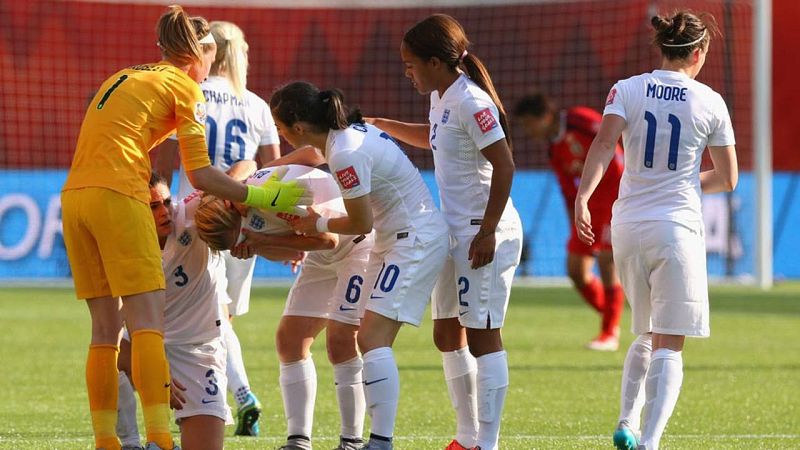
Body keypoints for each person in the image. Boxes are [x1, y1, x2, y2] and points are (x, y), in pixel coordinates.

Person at [59, 6, 306, 450]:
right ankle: (159, 436)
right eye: (209, 53)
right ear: (199, 53)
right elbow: (205, 176)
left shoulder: (127, 75)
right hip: (120, 195)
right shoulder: (185, 88)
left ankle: (106, 441)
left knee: (103, 331)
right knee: (146, 323)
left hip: (75, 196)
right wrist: (257, 196)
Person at [574, 11, 736, 450]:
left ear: (662, 48)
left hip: (627, 226)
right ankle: (650, 442)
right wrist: (683, 181)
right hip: (675, 226)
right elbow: (728, 177)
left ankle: (627, 420)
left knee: (645, 331)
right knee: (670, 342)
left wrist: (584, 196)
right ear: (698, 53)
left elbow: (604, 144)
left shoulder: (626, 89)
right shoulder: (710, 101)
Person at [368, 14, 522, 450]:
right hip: (452, 231)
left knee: (482, 335)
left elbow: (505, 164)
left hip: (482, 230)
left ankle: (486, 443)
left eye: (411, 64)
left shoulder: (472, 101)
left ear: (436, 61)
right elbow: (435, 138)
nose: (407, 72)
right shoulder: (442, 97)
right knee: (445, 334)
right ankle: (466, 436)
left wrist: (488, 230)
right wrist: (383, 124)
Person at [270, 81, 450, 450]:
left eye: (281, 127)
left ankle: (377, 441)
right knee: (356, 338)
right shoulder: (342, 137)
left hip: (412, 240)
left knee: (368, 339)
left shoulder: (345, 152)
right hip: (392, 240)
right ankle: (347, 440)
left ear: (298, 127)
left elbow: (359, 222)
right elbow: (309, 158)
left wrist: (316, 222)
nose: (280, 134)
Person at [153, 20, 281, 437]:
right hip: (238, 218)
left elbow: (169, 163)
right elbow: (275, 167)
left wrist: (163, 209)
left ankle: (232, 395)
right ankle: (231, 395)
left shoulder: (189, 94)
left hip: (191, 220)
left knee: (191, 320)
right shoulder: (257, 104)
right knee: (219, 319)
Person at [193, 163, 375, 450]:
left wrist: (260, 241)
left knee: (340, 342)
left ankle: (351, 441)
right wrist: (256, 246)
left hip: (358, 247)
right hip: (324, 257)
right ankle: (298, 441)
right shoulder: (244, 207)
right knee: (290, 340)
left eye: (236, 239)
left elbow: (328, 239)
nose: (238, 243)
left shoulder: (272, 196)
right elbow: (294, 252)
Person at [116, 173, 232, 450]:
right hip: (148, 346)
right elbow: (112, 319)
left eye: (166, 202)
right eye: (152, 207)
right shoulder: (121, 245)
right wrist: (153, 370)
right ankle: (131, 444)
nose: (164, 212)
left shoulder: (191, 213)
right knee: (108, 354)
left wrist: (225, 194)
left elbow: (247, 168)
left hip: (198, 349)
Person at [514, 93, 625, 351]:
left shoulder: (580, 119)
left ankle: (609, 333)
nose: (528, 131)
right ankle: (614, 317)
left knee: (608, 262)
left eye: (529, 124)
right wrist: (575, 219)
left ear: (545, 116)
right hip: (587, 207)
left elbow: (613, 143)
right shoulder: (554, 149)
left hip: (614, 195)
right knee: (576, 270)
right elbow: (567, 190)